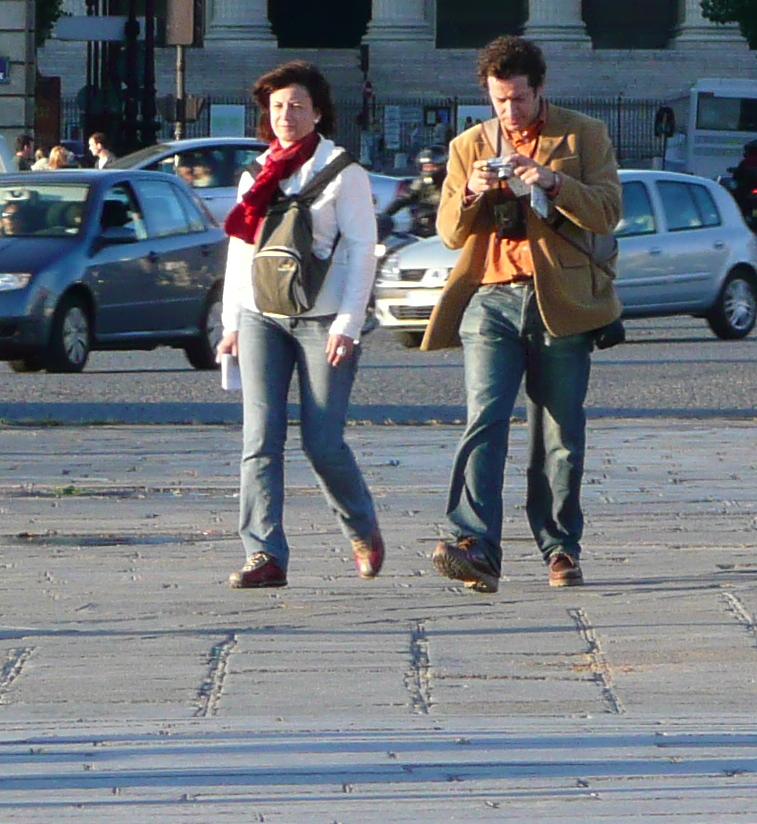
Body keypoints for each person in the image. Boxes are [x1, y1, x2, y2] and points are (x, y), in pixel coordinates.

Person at [420, 35, 622, 593]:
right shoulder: (468, 146)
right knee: (483, 419)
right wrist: (470, 193)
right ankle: (474, 544)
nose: (510, 112)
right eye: (499, 100)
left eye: (520, 100)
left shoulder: (583, 134)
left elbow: (608, 211)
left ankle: (560, 548)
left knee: (557, 433)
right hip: (490, 299)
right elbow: (448, 233)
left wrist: (552, 179)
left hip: (560, 297)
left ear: (540, 89)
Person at [214, 62, 384, 590]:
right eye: (277, 107)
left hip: (325, 320)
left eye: (297, 106)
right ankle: (264, 554)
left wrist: (349, 324)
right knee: (259, 438)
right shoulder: (256, 172)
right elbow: (242, 252)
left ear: (317, 113)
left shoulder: (343, 172)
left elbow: (362, 251)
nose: (286, 116)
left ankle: (361, 529)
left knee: (322, 441)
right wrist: (231, 322)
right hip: (261, 316)